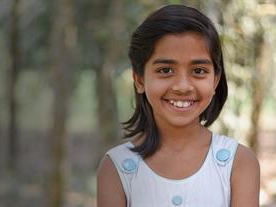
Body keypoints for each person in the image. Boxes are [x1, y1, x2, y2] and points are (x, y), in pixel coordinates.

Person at [97, 4, 260, 207]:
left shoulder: (238, 163)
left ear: (215, 80)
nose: (183, 86)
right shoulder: (117, 168)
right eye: (165, 70)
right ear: (139, 79)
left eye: (198, 70)